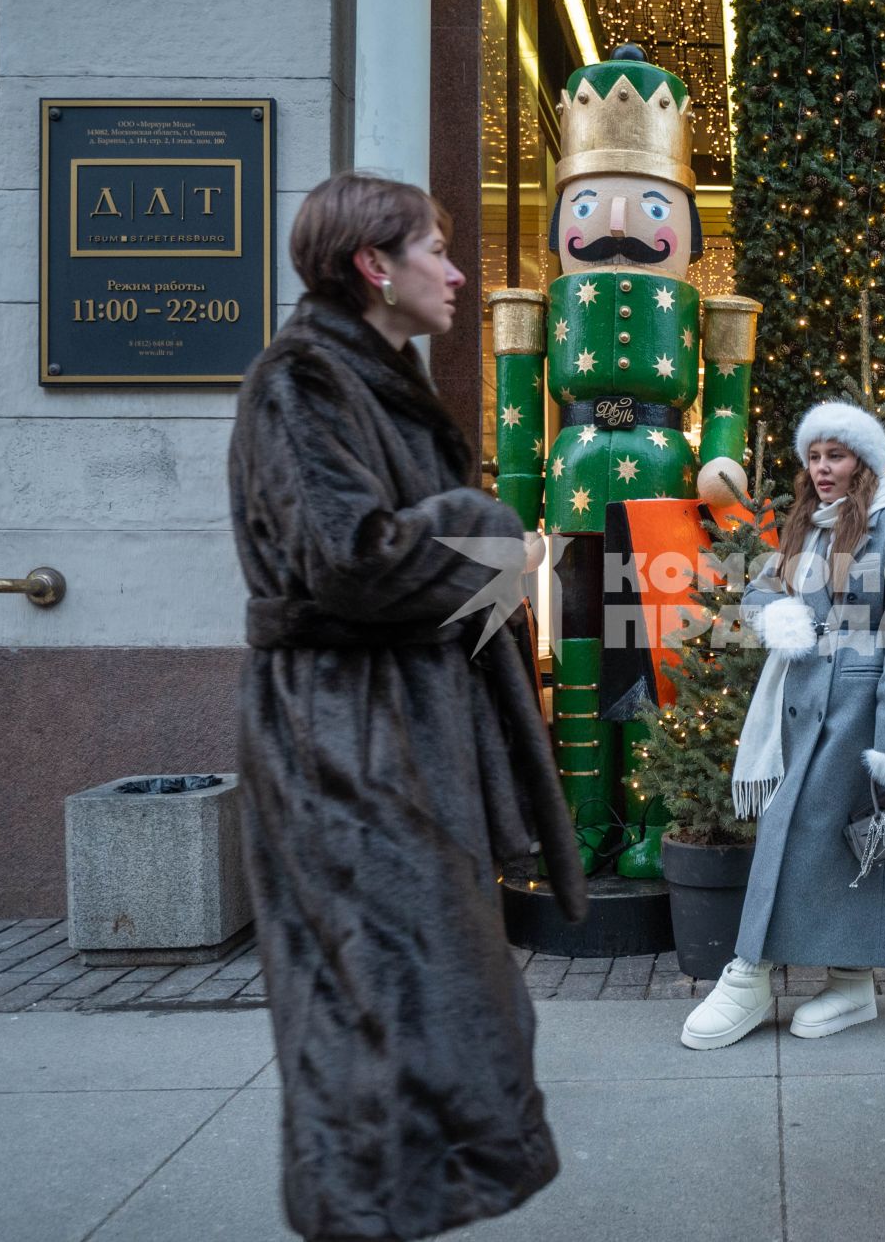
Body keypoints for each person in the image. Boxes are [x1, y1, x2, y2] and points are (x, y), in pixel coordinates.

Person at [228, 171, 589, 1241]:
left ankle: (396, 1209)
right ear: (373, 266)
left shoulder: (366, 375)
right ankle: (362, 1214)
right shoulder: (303, 381)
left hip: (392, 732)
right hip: (343, 742)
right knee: (371, 1020)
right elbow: (346, 556)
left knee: (420, 1008)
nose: (457, 269)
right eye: (436, 247)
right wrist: (487, 534)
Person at [679, 401, 885, 1050]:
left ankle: (761, 971)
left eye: (836, 455)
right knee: (811, 836)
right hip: (801, 705)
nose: (822, 468)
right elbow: (760, 586)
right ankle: (838, 980)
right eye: (814, 456)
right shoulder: (807, 526)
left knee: (832, 838)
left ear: (864, 461)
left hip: (858, 711)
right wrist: (777, 615)